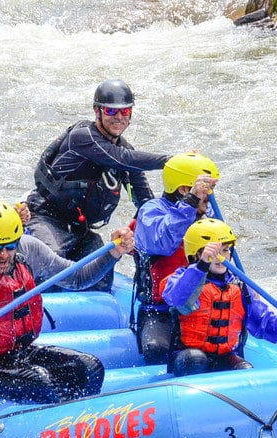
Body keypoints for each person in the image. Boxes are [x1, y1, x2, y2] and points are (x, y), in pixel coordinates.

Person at [0, 199, 135, 403]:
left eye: (10, 246)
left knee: (90, 368)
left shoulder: (29, 249)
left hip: (16, 352)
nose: (4, 255)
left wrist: (114, 252)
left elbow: (78, 278)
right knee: (41, 382)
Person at [25, 79, 172, 292]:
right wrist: (171, 160)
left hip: (80, 230)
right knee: (53, 269)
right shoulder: (83, 137)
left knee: (101, 279)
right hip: (47, 219)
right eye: (112, 112)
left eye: (125, 111)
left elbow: (146, 202)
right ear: (97, 111)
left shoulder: (127, 154)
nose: (119, 118)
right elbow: (122, 158)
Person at [161, 218, 277, 377]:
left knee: (243, 369)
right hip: (188, 357)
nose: (221, 257)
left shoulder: (240, 286)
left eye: (225, 250)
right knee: (196, 360)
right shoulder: (181, 278)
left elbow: (263, 322)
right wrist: (201, 266)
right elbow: (177, 299)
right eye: (214, 252)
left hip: (224, 357)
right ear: (195, 255)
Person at [133, 152, 220, 364]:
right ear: (184, 190)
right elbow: (163, 242)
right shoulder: (151, 211)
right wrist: (190, 203)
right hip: (160, 309)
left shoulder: (207, 219)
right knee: (157, 350)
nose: (210, 197)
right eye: (206, 191)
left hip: (199, 307)